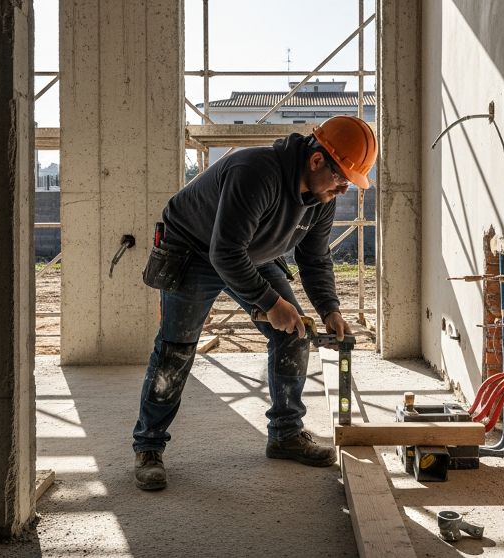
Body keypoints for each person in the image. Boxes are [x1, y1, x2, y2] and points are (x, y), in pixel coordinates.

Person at [132, 115, 378, 491]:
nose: (344, 188)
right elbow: (225, 252)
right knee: (175, 350)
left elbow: (314, 259)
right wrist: (269, 302)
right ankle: (148, 446)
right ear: (315, 161)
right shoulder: (255, 172)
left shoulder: (322, 198)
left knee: (295, 333)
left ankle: (285, 433)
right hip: (195, 250)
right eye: (341, 177)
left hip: (253, 254)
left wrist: (330, 309)